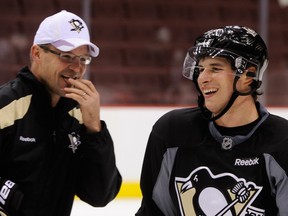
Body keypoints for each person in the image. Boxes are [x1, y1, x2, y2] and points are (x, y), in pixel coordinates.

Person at [135, 25, 288, 216]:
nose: (202, 78)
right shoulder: (171, 132)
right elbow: (153, 212)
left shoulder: (282, 142)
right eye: (200, 69)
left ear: (248, 76)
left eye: (215, 68)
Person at [0, 10, 122, 216]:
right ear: (37, 53)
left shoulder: (78, 116)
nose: (76, 68)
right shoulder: (6, 106)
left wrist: (95, 129)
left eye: (83, 59)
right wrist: (8, 196)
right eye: (66, 56)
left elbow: (100, 196)